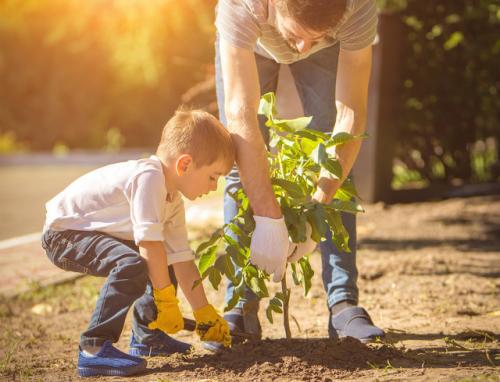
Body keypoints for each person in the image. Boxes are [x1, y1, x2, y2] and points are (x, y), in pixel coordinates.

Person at [206, 0, 385, 350]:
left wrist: (316, 209)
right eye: (298, 35)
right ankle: (241, 303)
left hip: (329, 46)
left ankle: (343, 303)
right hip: (253, 42)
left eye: (315, 37)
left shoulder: (357, 6)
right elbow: (241, 117)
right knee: (235, 161)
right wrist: (270, 218)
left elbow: (350, 119)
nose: (302, 49)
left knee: (334, 155)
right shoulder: (241, 6)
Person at [41, 109, 234, 377]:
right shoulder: (149, 177)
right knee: (132, 263)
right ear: (185, 164)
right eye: (213, 176)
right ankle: (93, 348)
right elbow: (148, 246)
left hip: (87, 233)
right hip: (64, 234)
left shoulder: (172, 199)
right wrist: (166, 301)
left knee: (161, 258)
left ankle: (147, 337)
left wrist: (204, 312)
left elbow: (181, 259)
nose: (214, 187)